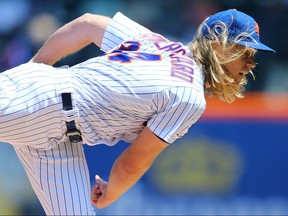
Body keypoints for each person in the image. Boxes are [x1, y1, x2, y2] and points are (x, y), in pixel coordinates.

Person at [0, 8, 274, 215]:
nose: (251, 62)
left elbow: (86, 24)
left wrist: (35, 67)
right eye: (245, 51)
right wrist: (111, 193)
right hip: (41, 103)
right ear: (217, 46)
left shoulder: (155, 41)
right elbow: (133, 162)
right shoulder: (188, 96)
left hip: (60, 137)